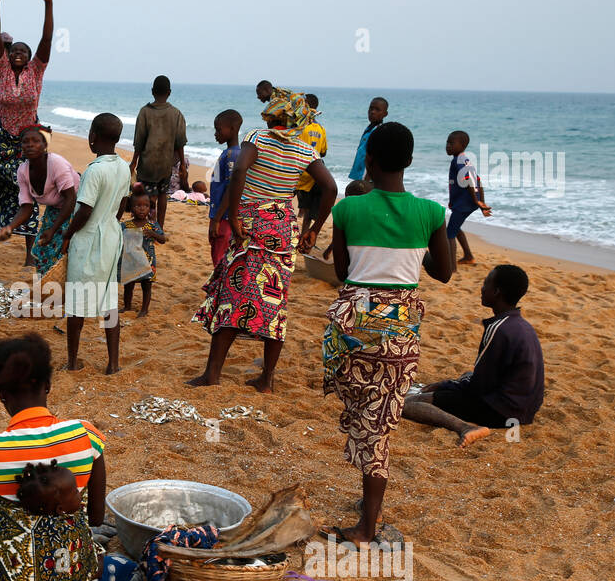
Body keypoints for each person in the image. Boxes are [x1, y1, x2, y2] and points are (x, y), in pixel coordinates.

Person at [321, 122, 454, 545]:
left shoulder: (347, 209)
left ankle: (367, 511)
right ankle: (368, 525)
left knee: (363, 413)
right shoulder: (431, 213)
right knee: (380, 425)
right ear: (411, 161)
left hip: (351, 330)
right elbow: (444, 272)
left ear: (370, 160)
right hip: (398, 333)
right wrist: (419, 248)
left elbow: (341, 272)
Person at [0, 333, 143, 581]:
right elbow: (98, 517)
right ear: (47, 385)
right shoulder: (86, 436)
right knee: (129, 570)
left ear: (2, 394)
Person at [189, 88, 338, 392]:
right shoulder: (306, 151)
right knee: (274, 301)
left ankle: (212, 375)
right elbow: (331, 188)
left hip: (251, 226)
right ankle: (267, 380)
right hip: (283, 228)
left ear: (273, 114)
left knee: (233, 294)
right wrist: (315, 229)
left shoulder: (258, 138)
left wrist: (233, 215)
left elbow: (240, 169)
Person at [403, 264, 543, 445]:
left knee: (409, 404)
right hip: (524, 408)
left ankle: (465, 427)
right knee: (464, 377)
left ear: (497, 292)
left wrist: (442, 386)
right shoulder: (521, 324)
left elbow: (479, 386)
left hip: (502, 411)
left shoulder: (498, 329)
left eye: (486, 284)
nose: (482, 288)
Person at [0, 0, 56, 262]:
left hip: (27, 142)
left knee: (27, 190)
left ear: (31, 57)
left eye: (24, 51)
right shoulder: (1, 70)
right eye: (15, 50)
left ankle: (30, 254)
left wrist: (49, 4)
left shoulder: (36, 72)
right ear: (8, 56)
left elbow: (46, 38)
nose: (19, 53)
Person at [61, 113, 127, 374]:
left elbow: (85, 210)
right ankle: (113, 363)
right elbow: (122, 204)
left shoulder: (95, 170)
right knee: (109, 300)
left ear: (93, 137)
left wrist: (67, 234)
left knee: (78, 303)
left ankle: (73, 361)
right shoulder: (123, 166)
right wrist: (109, 221)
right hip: (111, 236)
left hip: (89, 239)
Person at [0, 124, 77, 277]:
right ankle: (48, 287)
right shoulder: (23, 171)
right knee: (42, 251)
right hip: (56, 209)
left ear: (45, 145)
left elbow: (71, 198)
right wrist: (10, 227)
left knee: (62, 250)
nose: (30, 145)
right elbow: (26, 206)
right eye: (26, 142)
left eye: (36, 141)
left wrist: (53, 229)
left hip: (77, 207)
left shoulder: (56, 163)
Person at [130, 75, 188, 228]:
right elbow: (180, 142)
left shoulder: (144, 112)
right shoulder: (176, 113)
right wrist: (182, 164)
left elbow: (139, 141)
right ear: (169, 92)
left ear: (152, 91)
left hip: (147, 164)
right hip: (165, 165)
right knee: (162, 195)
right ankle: (159, 227)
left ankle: (145, 225)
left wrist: (134, 161)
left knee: (146, 196)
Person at [445, 129, 491, 266]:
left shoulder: (459, 161)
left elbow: (471, 180)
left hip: (465, 203)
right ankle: (468, 256)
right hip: (465, 202)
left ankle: (451, 267)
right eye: (447, 142)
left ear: (462, 146)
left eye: (452, 143)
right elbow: (478, 180)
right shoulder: (464, 160)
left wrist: (477, 201)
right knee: (455, 228)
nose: (448, 146)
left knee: (449, 234)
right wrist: (481, 201)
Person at [120, 189, 165, 317]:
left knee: (147, 285)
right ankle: (127, 306)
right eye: (137, 206)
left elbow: (162, 240)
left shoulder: (152, 225)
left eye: (146, 206)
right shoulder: (125, 225)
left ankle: (144, 309)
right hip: (130, 260)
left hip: (148, 261)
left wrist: (153, 234)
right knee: (129, 285)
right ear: (131, 208)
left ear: (150, 208)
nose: (142, 209)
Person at [208, 109, 243, 267]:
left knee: (220, 259)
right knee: (217, 253)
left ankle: (220, 291)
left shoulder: (234, 155)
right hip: (218, 215)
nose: (216, 133)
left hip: (224, 217)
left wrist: (217, 218)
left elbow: (232, 188)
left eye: (219, 129)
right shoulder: (227, 153)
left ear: (233, 129)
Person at [294, 92, 329, 239]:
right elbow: (323, 152)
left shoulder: (300, 128)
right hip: (317, 174)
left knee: (291, 202)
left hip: (302, 174)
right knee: (309, 212)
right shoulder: (320, 128)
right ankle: (304, 234)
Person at [348, 97, 388, 180]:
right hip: (359, 174)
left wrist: (367, 180)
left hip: (366, 177)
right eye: (371, 108)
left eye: (377, 110)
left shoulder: (379, 132)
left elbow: (375, 158)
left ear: (385, 114)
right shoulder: (369, 128)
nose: (372, 112)